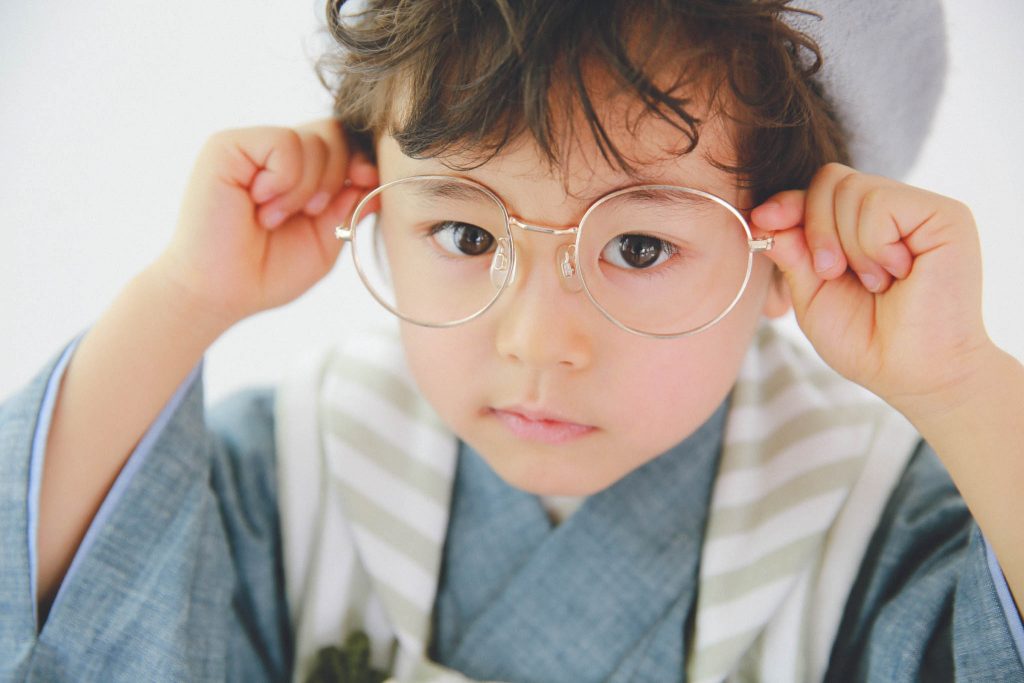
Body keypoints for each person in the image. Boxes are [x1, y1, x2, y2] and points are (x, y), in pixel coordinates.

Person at [2, 0, 1022, 681]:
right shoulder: (293, 475)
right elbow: (41, 618)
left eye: (636, 243)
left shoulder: (877, 520)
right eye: (465, 233)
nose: (538, 340)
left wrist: (959, 382)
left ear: (785, 248)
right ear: (376, 202)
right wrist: (184, 295)